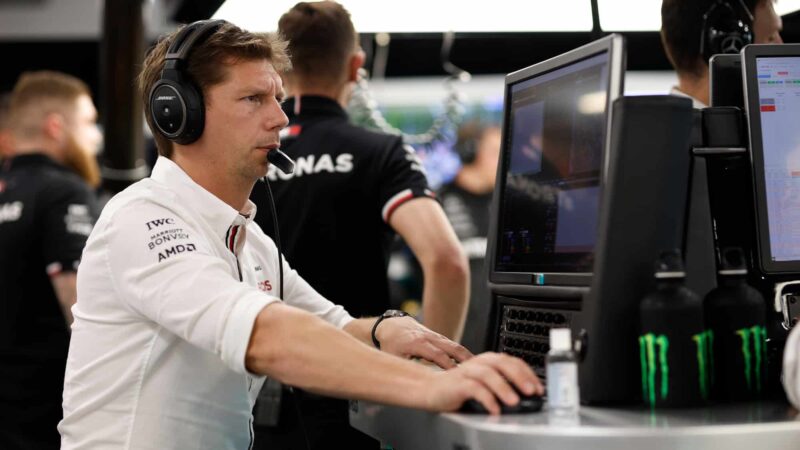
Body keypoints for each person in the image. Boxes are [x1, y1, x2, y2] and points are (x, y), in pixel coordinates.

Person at [58, 20, 542, 450]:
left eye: (278, 99)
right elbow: (266, 335)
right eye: (253, 100)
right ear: (178, 114)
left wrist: (383, 330)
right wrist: (432, 389)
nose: (280, 119)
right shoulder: (141, 218)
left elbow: (332, 323)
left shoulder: (251, 241)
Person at [250, 2, 470, 448]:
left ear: (278, 68)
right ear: (356, 66)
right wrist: (426, 376)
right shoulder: (379, 151)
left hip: (255, 395)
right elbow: (447, 261)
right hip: (357, 393)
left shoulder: (248, 156)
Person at [0, 71, 101, 450]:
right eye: (89, 122)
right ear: (56, 127)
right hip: (45, 409)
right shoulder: (64, 191)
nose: (97, 136)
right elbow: (77, 303)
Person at [438, 121, 502, 354]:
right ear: (470, 152)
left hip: (501, 334)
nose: (503, 161)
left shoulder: (509, 203)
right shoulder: (436, 203)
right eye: (495, 152)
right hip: (453, 339)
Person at [661, 0, 783, 108]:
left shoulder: (657, 129)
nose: (781, 47)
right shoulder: (725, 133)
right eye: (770, 38)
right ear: (725, 48)